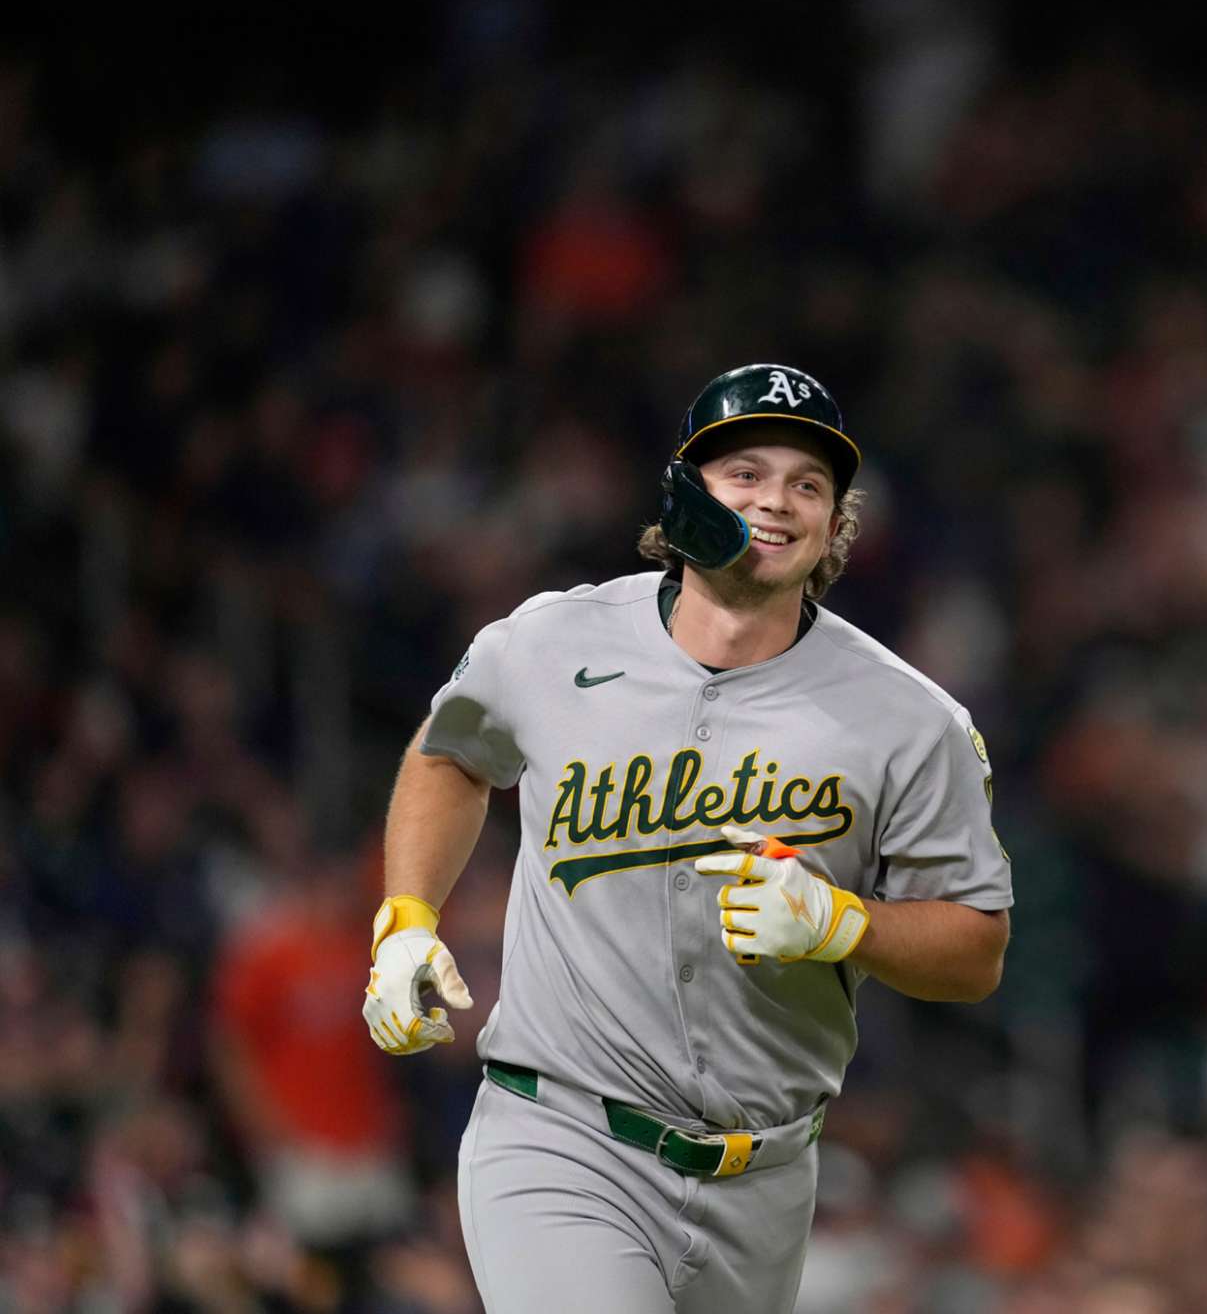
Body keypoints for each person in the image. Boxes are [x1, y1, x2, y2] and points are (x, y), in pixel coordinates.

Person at [359, 363, 1013, 1313]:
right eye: (745, 472)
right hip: (563, 1137)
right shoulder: (550, 644)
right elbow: (448, 754)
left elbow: (978, 948)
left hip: (770, 1178)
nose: (778, 501)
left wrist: (845, 924)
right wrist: (407, 918)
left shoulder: (910, 719)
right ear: (684, 493)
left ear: (837, 523)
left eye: (808, 484)